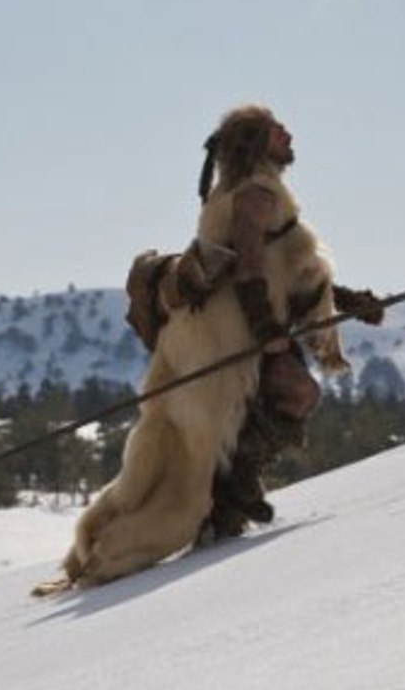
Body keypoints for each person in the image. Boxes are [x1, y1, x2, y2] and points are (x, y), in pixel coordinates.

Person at [126, 105, 384, 546]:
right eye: (276, 130)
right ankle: (231, 489)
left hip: (242, 327)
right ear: (257, 144)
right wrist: (268, 333)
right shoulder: (255, 196)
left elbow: (286, 267)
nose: (288, 134)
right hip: (241, 331)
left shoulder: (255, 193)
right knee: (297, 393)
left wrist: (347, 300)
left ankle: (226, 500)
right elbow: (249, 271)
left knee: (267, 406)